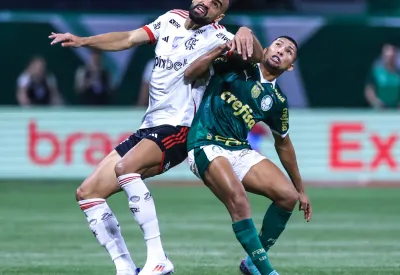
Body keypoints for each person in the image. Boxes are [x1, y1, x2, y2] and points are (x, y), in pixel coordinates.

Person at [48, 0, 263, 274]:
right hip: (149, 127)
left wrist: (246, 31)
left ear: (220, 15)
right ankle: (124, 267)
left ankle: (158, 259)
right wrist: (83, 41)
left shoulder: (220, 37)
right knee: (88, 194)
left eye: (216, 3)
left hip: (180, 128)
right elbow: (127, 38)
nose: (206, 3)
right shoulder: (170, 18)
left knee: (126, 168)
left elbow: (258, 56)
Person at [185, 36, 312, 275]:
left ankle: (252, 262)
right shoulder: (238, 65)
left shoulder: (278, 101)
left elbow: (283, 144)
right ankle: (267, 271)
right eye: (277, 45)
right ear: (264, 48)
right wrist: (244, 31)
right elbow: (194, 71)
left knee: (287, 197)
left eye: (289, 52)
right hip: (205, 142)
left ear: (291, 66)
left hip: (239, 149)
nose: (281, 52)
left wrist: (301, 189)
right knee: (239, 201)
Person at [364, 44, 400, 110]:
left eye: (392, 56)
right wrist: (377, 103)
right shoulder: (375, 73)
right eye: (387, 56)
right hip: (378, 111)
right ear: (383, 56)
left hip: (397, 112)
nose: (390, 59)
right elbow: (369, 91)